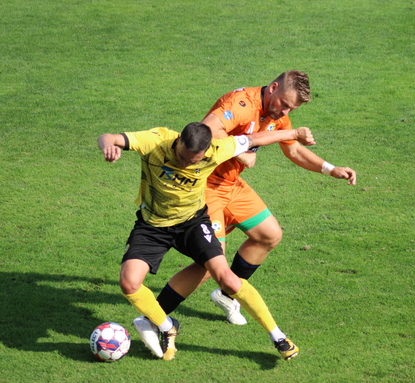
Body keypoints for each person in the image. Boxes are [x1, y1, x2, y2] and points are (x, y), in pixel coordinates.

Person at [151, 70, 357, 326]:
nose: (284, 114)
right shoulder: (239, 104)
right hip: (205, 187)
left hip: (232, 185)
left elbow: (293, 150)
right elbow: (208, 129)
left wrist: (330, 169)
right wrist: (240, 152)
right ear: (273, 88)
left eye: (291, 110)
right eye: (284, 105)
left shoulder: (277, 113)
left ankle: (226, 295)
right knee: (210, 265)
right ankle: (153, 317)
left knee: (269, 235)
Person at [98, 122, 316, 361]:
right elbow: (108, 136)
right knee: (129, 283)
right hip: (153, 225)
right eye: (183, 156)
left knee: (228, 280)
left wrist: (295, 133)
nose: (186, 163)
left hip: (192, 223)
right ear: (178, 140)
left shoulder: (217, 149)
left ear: (205, 151)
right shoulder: (156, 140)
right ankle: (167, 326)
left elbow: (255, 139)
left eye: (194, 160)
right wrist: (108, 146)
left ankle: (278, 337)